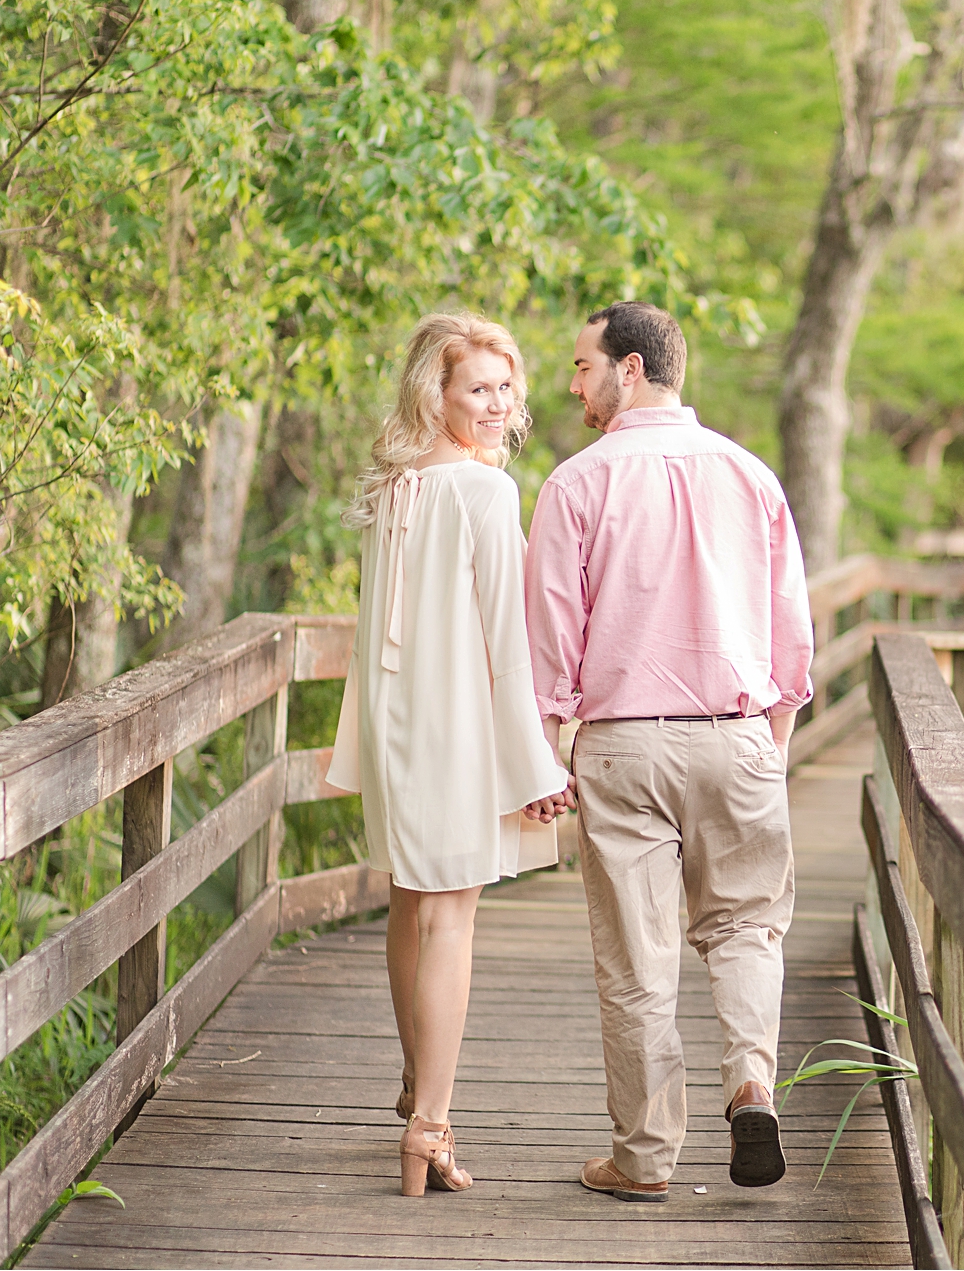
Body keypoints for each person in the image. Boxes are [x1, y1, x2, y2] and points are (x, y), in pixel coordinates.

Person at [525, 300, 814, 1202]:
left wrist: (546, 751)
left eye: (583, 366)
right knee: (745, 927)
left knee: (638, 958)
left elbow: (549, 644)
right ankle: (752, 1084)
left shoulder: (577, 484)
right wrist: (771, 739)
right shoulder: (751, 474)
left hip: (624, 747)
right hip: (738, 738)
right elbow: (790, 636)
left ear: (633, 369)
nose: (573, 384)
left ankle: (645, 1159)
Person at [327, 313, 572, 1198]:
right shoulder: (483, 492)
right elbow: (508, 643)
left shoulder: (392, 486)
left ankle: (413, 1089)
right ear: (436, 391)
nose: (500, 404)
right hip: (458, 725)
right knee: (450, 920)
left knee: (409, 906)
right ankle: (429, 1126)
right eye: (480, 388)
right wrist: (536, 762)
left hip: (398, 726)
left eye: (508, 387)